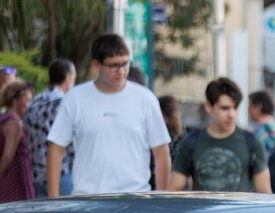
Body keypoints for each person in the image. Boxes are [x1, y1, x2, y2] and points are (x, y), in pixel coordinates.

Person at [46, 35, 169, 197]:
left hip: (136, 200)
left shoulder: (145, 99)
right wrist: (53, 200)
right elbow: (55, 149)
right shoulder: (75, 99)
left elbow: (161, 152)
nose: (121, 71)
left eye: (125, 63)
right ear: (96, 65)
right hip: (87, 200)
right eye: (113, 66)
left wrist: (161, 199)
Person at [170, 77, 269, 193]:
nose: (232, 114)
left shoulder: (252, 142)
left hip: (240, 210)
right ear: (208, 107)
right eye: (225, 108)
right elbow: (174, 189)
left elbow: (265, 194)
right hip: (202, 210)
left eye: (235, 108)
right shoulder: (191, 142)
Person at [24, 58, 76, 198]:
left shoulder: (33, 103)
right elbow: (71, 145)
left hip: (36, 177)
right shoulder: (64, 103)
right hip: (62, 176)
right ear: (67, 77)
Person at [0, 81, 35, 203]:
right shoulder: (14, 122)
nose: (30, 105)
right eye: (28, 100)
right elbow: (8, 155)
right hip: (14, 177)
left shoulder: (3, 118)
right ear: (15, 101)